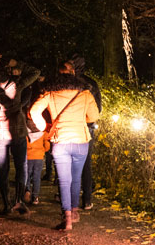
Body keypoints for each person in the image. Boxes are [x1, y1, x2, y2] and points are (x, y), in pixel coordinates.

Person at [29, 62, 99, 231]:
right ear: (74, 74)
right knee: (76, 178)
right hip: (81, 140)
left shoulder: (50, 93)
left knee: (64, 180)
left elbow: (33, 112)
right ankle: (75, 211)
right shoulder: (85, 94)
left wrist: (44, 127)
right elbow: (94, 116)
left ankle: (66, 217)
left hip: (60, 140)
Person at [0, 53, 40, 215]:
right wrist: (16, 62)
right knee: (21, 166)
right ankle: (18, 201)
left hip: (0, 131)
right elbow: (35, 72)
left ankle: (6, 203)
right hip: (17, 129)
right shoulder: (16, 84)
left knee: (3, 168)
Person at [70, 55, 102, 210]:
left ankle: (68, 198)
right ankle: (87, 198)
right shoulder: (91, 84)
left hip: (69, 126)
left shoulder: (65, 83)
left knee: (68, 163)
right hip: (87, 128)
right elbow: (98, 109)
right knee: (86, 163)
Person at [24, 131, 50, 206]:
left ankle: (27, 190)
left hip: (28, 156)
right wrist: (42, 151)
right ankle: (35, 197)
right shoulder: (43, 132)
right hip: (39, 157)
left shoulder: (26, 131)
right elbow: (47, 146)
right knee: (37, 177)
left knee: (27, 175)